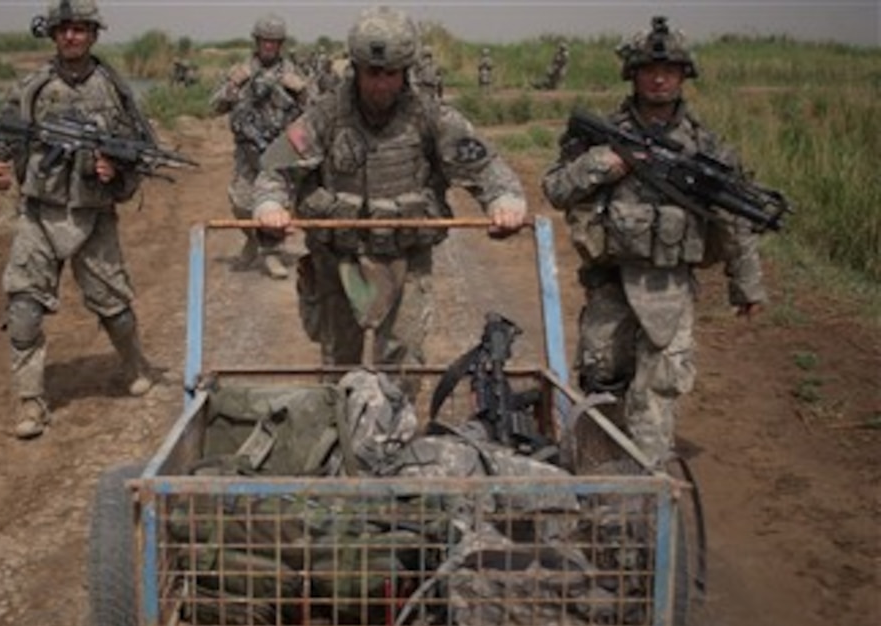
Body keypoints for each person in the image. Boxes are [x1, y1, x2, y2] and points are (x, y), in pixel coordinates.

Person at [541, 16, 767, 464]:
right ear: (633, 74)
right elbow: (555, 189)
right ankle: (598, 481)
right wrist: (604, 164)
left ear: (685, 75)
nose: (659, 78)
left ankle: (647, 489)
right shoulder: (599, 136)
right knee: (603, 380)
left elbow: (734, 218)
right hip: (610, 284)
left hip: (671, 285)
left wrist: (748, 284)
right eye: (649, 69)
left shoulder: (706, 149)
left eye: (670, 69)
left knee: (660, 384)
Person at [253, 6, 527, 375]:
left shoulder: (431, 116)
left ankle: (396, 430)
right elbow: (275, 166)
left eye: (391, 74)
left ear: (406, 71)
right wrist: (271, 203)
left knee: (403, 365)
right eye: (372, 73)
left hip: (406, 258)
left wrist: (503, 200)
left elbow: (486, 166)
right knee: (338, 366)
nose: (381, 84)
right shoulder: (324, 115)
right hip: (338, 262)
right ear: (356, 68)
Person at [0, 0, 157, 439]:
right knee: (23, 310)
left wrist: (117, 172)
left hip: (95, 217)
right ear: (52, 34)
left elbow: (144, 150)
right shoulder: (32, 88)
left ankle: (134, 363)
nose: (71, 37)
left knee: (115, 308)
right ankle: (30, 401)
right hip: (38, 215)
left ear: (93, 34)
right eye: (63, 29)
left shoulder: (115, 89)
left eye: (80, 29)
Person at [209, 13, 309, 279]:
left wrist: (302, 91)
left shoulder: (294, 72)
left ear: (281, 44)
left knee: (274, 203)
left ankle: (271, 253)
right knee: (241, 203)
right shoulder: (240, 70)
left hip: (278, 151)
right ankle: (253, 239)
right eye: (264, 41)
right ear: (256, 41)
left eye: (274, 42)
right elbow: (215, 106)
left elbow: (317, 114)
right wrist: (233, 85)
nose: (269, 46)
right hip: (247, 151)